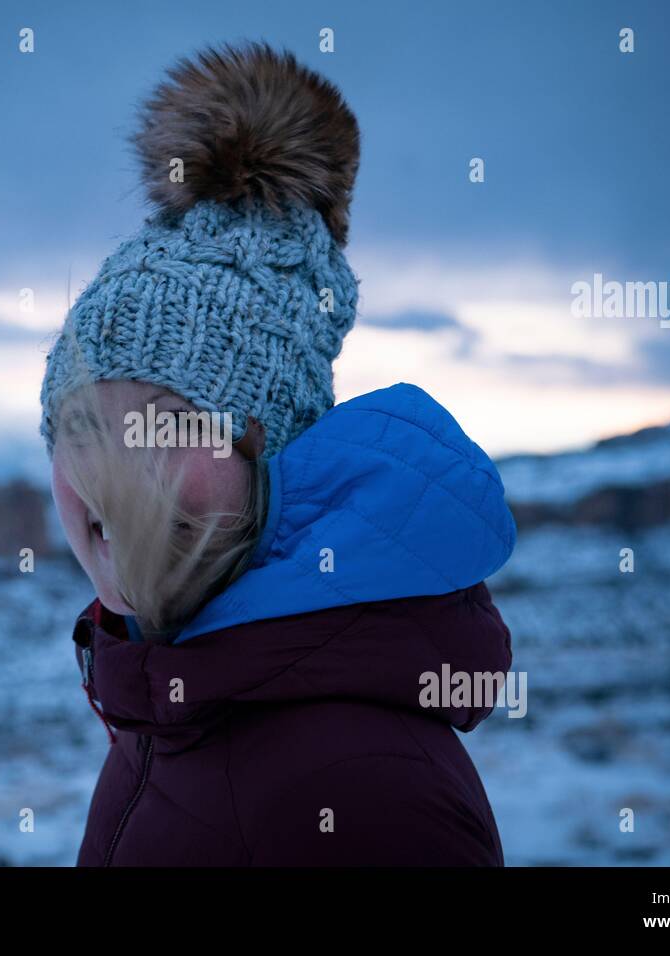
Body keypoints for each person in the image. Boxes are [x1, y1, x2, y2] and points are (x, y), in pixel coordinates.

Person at [38, 41, 517, 866]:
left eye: (166, 426)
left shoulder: (364, 792)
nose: (111, 476)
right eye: (81, 428)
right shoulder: (174, 694)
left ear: (277, 451)